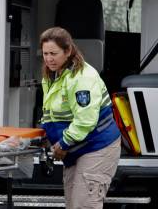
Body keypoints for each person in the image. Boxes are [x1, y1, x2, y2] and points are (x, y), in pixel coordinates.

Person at [39, 27, 121, 209]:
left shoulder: (82, 77)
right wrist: (46, 135)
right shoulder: (53, 74)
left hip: (96, 146)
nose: (49, 58)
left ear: (68, 51)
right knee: (74, 204)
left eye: (54, 53)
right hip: (77, 148)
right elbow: (50, 111)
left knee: (84, 205)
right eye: (45, 53)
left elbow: (86, 120)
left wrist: (63, 144)